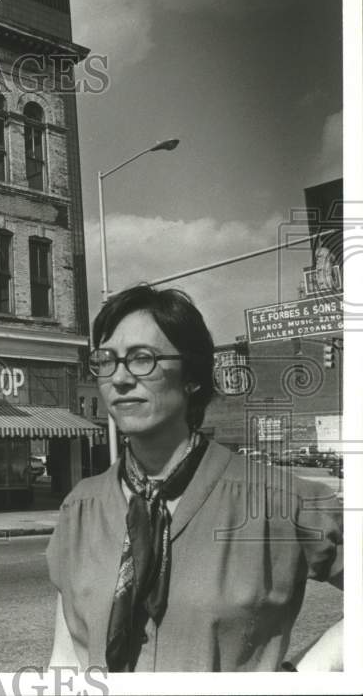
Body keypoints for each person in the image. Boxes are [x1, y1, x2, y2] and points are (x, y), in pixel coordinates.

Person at [46, 285, 342, 672]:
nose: (118, 378)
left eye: (142, 359)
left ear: (192, 377)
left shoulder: (282, 504)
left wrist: (310, 672)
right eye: (106, 360)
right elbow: (67, 656)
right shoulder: (81, 508)